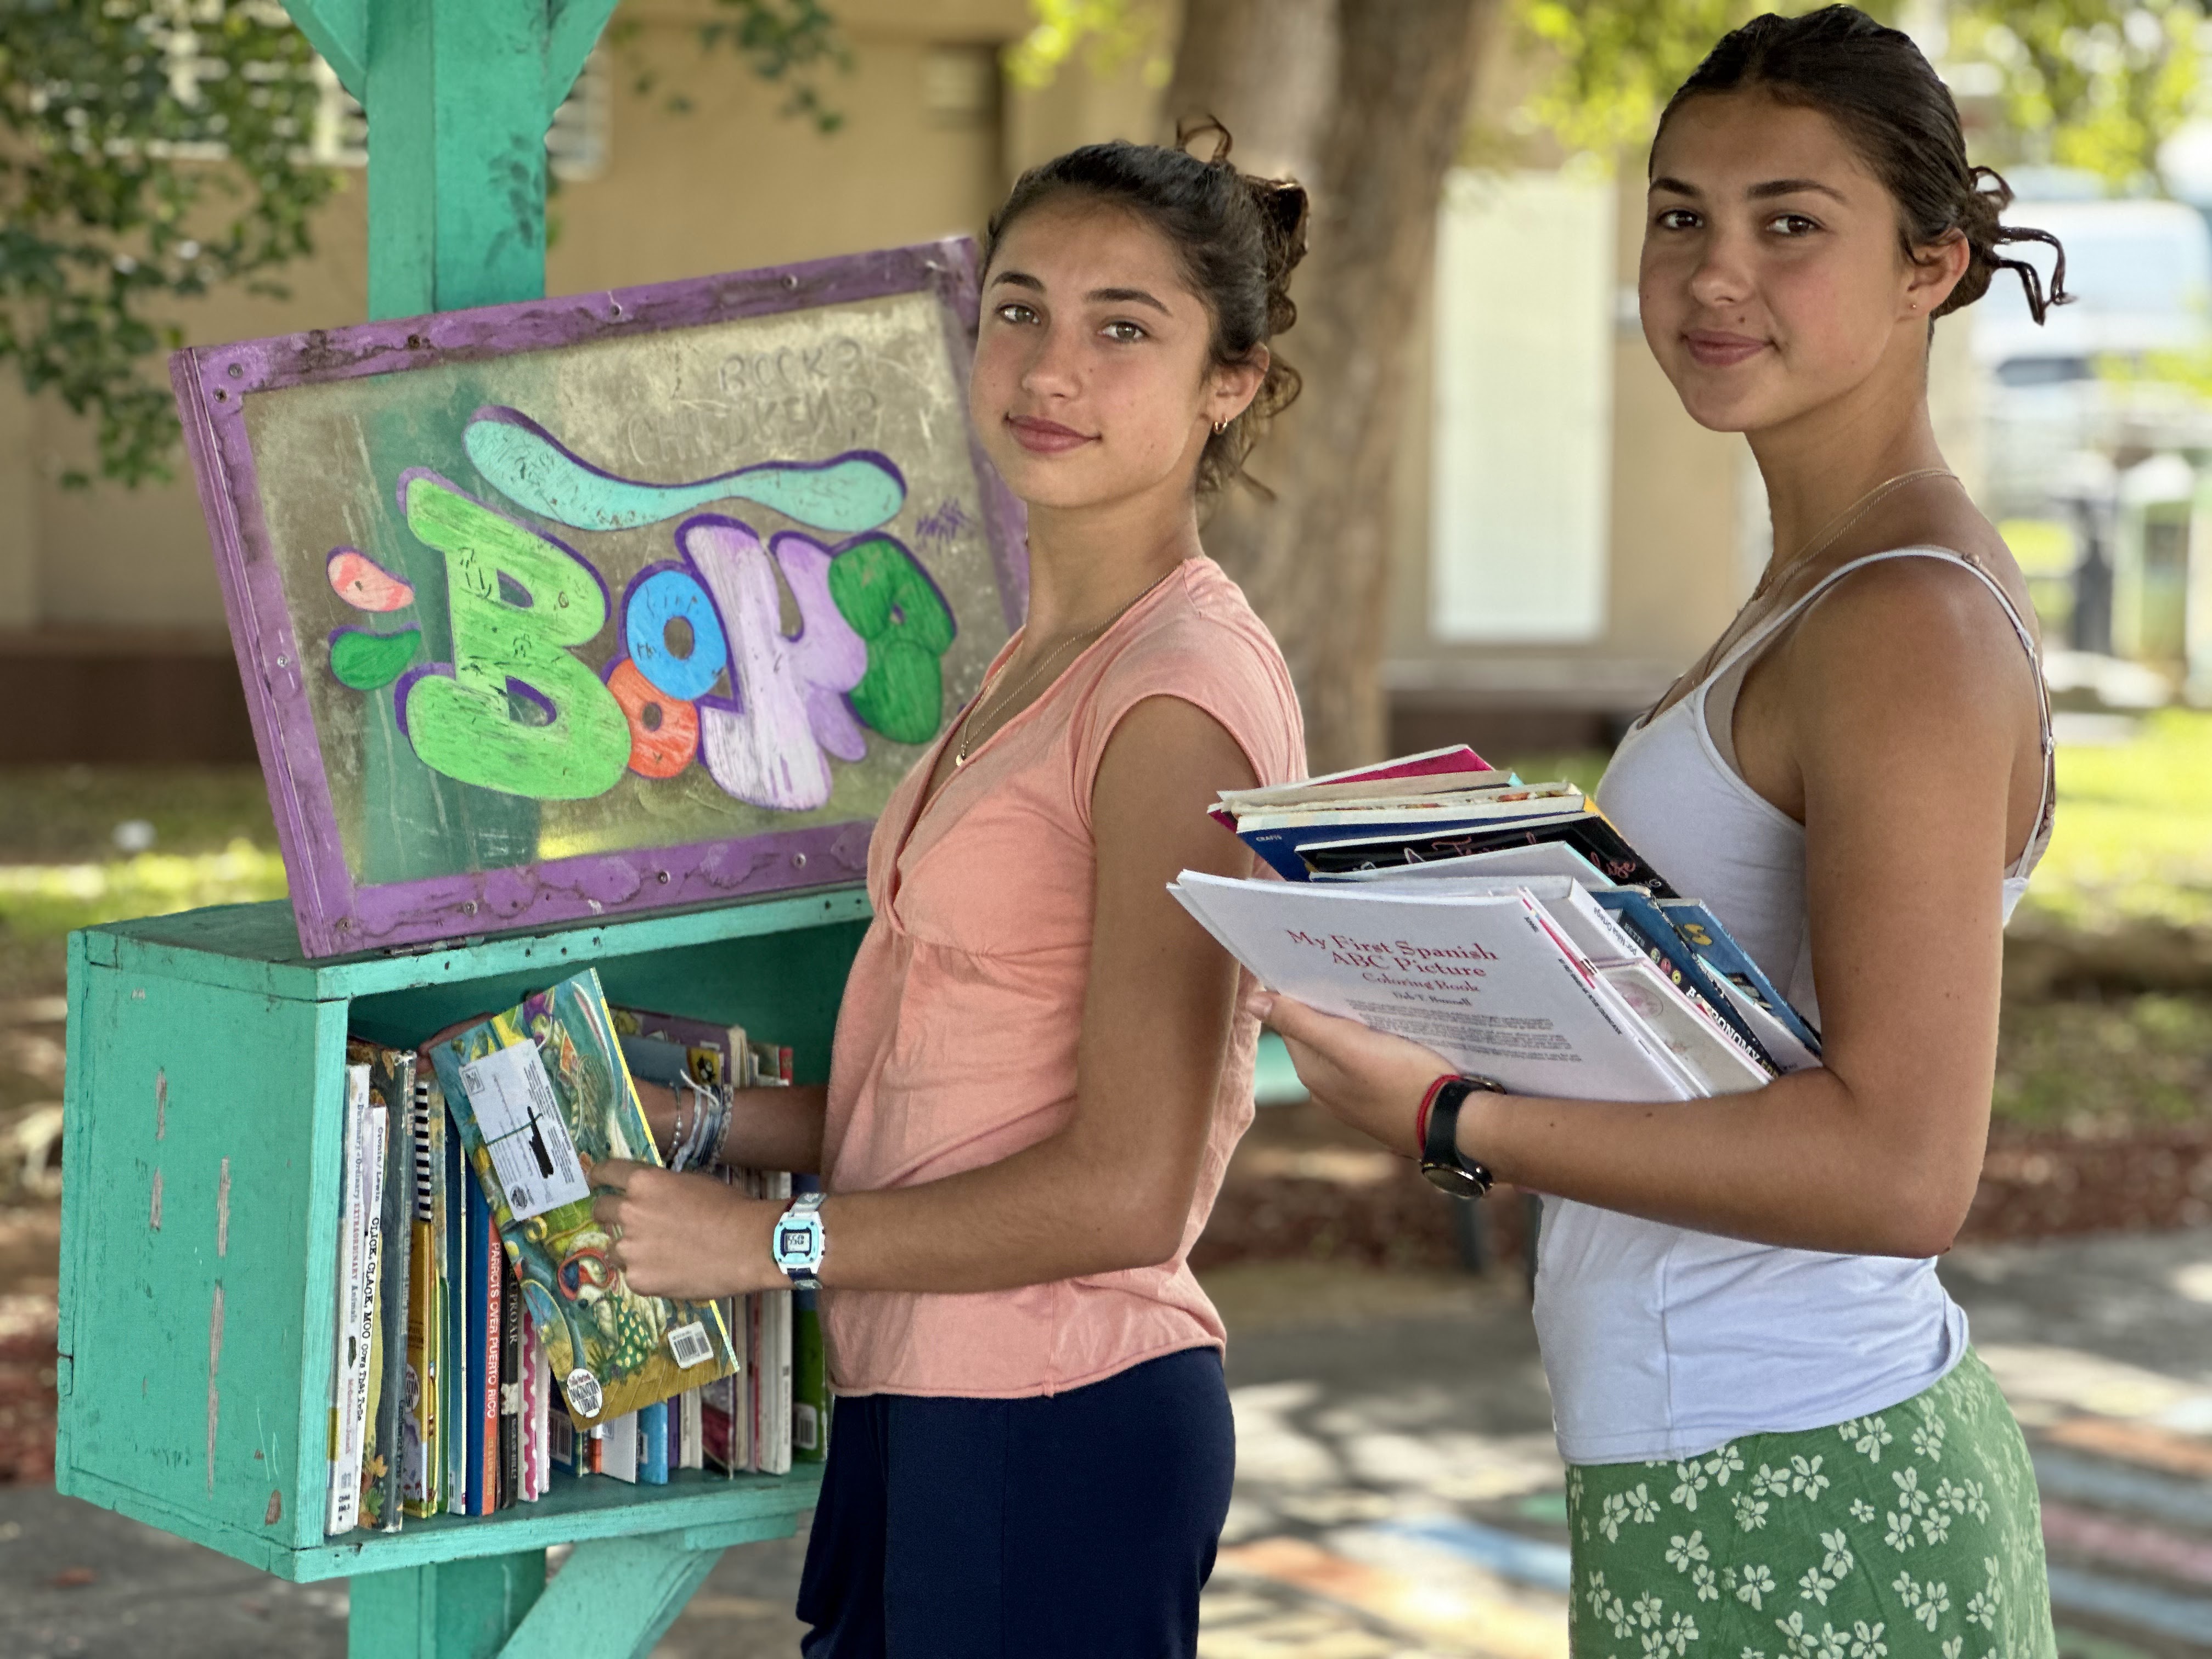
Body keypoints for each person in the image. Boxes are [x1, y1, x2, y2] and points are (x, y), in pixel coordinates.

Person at [1257, 9, 2066, 1654]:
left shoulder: (1905, 624)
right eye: (1681, 213)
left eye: (1791, 224)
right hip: (1712, 1471)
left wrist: (1451, 1114)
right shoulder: (1814, 588)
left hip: (1812, 1486)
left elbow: (1903, 1171)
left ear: (1934, 265)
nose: (1712, 276)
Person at [589, 129, 1308, 1657]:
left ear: (1228, 380)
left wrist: (764, 1245)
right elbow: (952, 1083)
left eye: (1126, 328)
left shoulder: (1178, 695)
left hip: (1056, 1411)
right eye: (1020, 308)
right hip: (924, 1398)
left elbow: (1128, 1183)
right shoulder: (1033, 659)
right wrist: (694, 1120)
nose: (1052, 366)